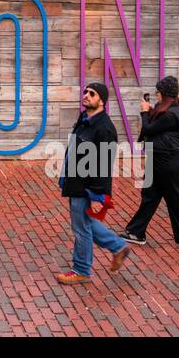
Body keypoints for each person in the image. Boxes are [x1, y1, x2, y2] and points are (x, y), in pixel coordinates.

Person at [56, 81, 131, 285]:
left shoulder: (105, 128)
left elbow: (104, 163)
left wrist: (98, 195)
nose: (86, 95)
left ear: (102, 101)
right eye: (86, 92)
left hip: (86, 186)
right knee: (85, 223)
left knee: (81, 228)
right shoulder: (84, 119)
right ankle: (118, 246)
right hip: (75, 180)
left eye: (92, 93)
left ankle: (81, 270)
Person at [121, 76, 179, 250]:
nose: (156, 96)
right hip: (158, 159)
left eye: (158, 93)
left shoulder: (170, 113)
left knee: (175, 199)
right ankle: (136, 232)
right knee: (150, 195)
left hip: (166, 162)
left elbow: (149, 128)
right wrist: (150, 109)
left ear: (165, 94)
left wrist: (144, 111)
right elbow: (157, 123)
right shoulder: (170, 109)